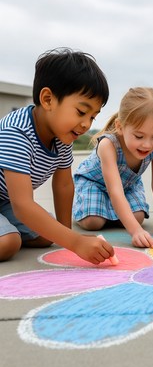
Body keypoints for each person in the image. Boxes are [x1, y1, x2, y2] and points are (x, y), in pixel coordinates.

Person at [0, 47, 115, 264]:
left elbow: (63, 186)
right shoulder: (16, 132)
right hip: (12, 202)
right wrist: (76, 242)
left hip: (4, 201)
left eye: (92, 116)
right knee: (8, 242)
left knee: (47, 234)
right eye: (81, 112)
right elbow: (22, 205)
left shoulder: (62, 135)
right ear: (48, 99)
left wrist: (68, 237)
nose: (86, 124)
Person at [73, 87, 153, 248]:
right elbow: (114, 190)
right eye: (139, 136)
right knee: (93, 221)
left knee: (137, 217)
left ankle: (111, 211)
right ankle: (90, 207)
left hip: (128, 186)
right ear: (120, 126)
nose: (147, 144)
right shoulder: (108, 144)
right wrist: (135, 231)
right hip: (95, 184)